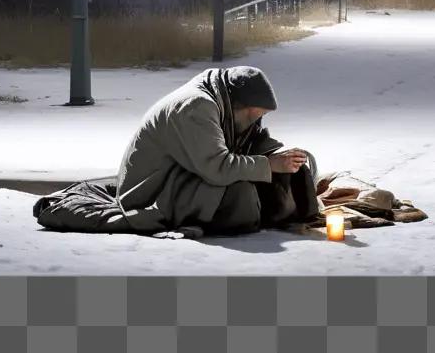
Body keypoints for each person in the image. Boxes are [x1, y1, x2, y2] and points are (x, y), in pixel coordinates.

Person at [112, 65, 319, 236]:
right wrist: (269, 164)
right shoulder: (197, 107)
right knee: (241, 196)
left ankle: (274, 210)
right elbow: (218, 167)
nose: (256, 122)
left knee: (290, 175)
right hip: (155, 190)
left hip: (192, 173)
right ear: (240, 105)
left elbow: (249, 140)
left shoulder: (223, 99)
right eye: (254, 116)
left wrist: (283, 157)